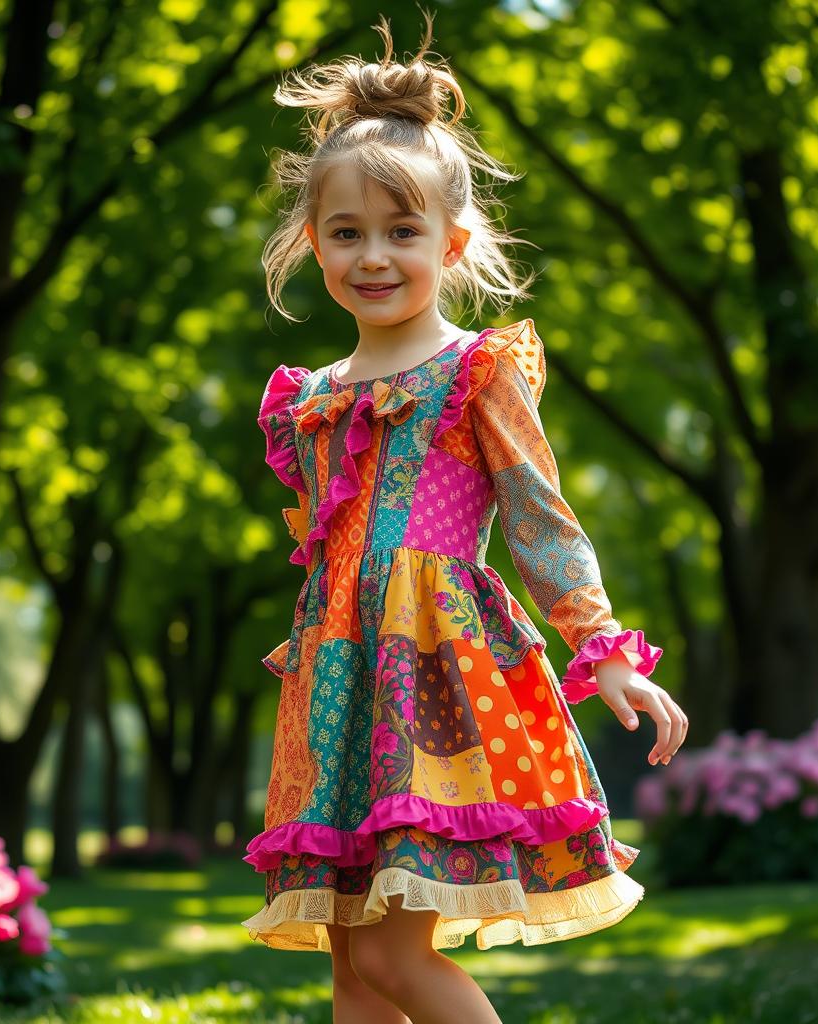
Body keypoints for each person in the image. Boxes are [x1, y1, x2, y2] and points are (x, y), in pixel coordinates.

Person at [241, 8, 688, 1023]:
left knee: (395, 957)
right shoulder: (310, 396)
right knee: (352, 967)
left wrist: (603, 648)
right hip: (338, 681)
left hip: (435, 670)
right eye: (347, 233)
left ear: (452, 241)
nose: (374, 256)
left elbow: (539, 516)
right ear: (313, 243)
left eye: (402, 232)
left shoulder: (474, 371)